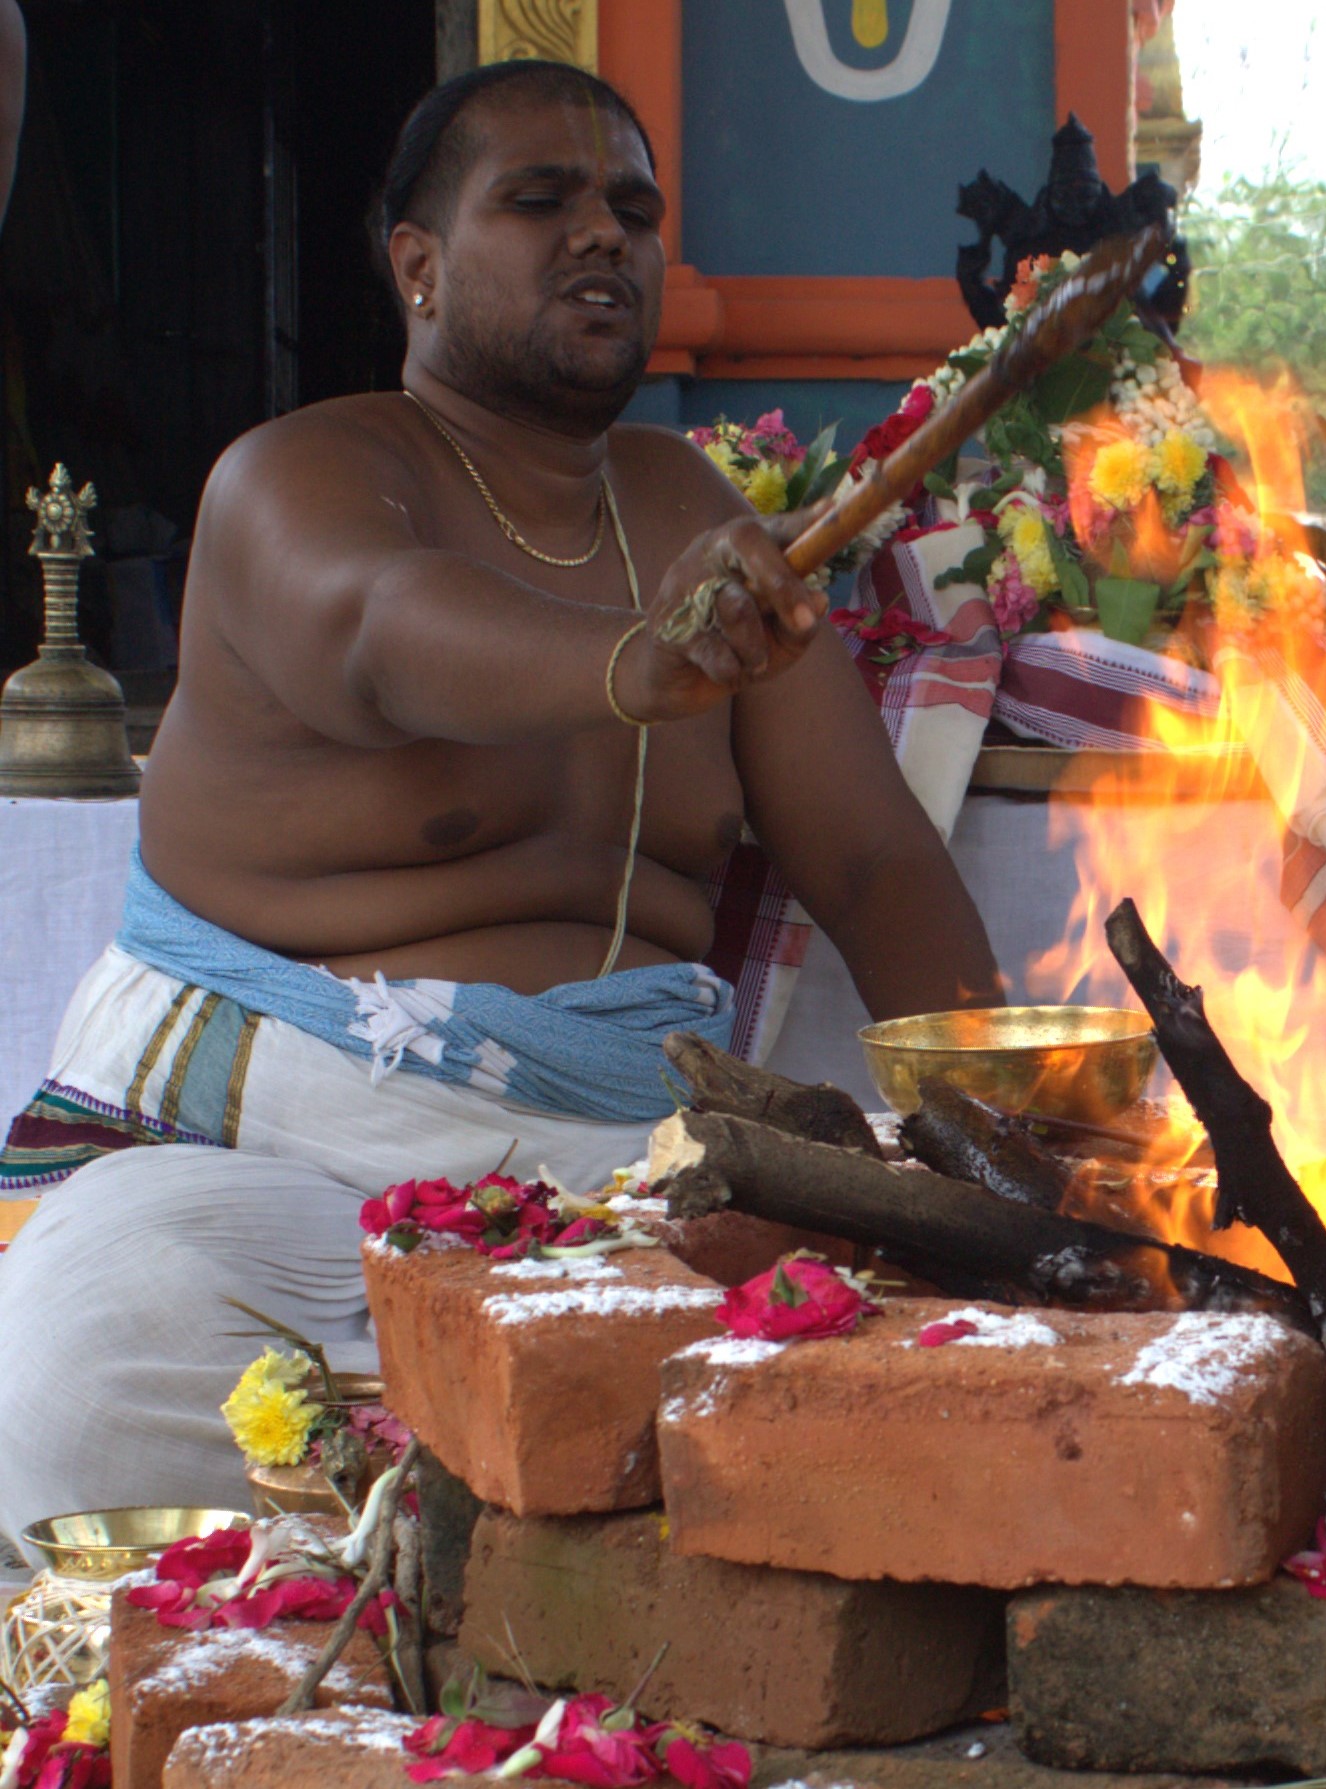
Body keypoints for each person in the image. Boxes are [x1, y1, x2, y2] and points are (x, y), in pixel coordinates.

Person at [0, 60, 1002, 1534]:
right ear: (416, 263)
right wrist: (631, 662)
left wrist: (1008, 1138)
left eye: (634, 209)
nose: (603, 234)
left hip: (616, 1187)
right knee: (85, 1347)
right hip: (284, 1176)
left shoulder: (690, 515)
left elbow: (867, 866)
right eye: (540, 201)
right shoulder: (298, 474)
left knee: (916, 1372)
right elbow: (380, 627)